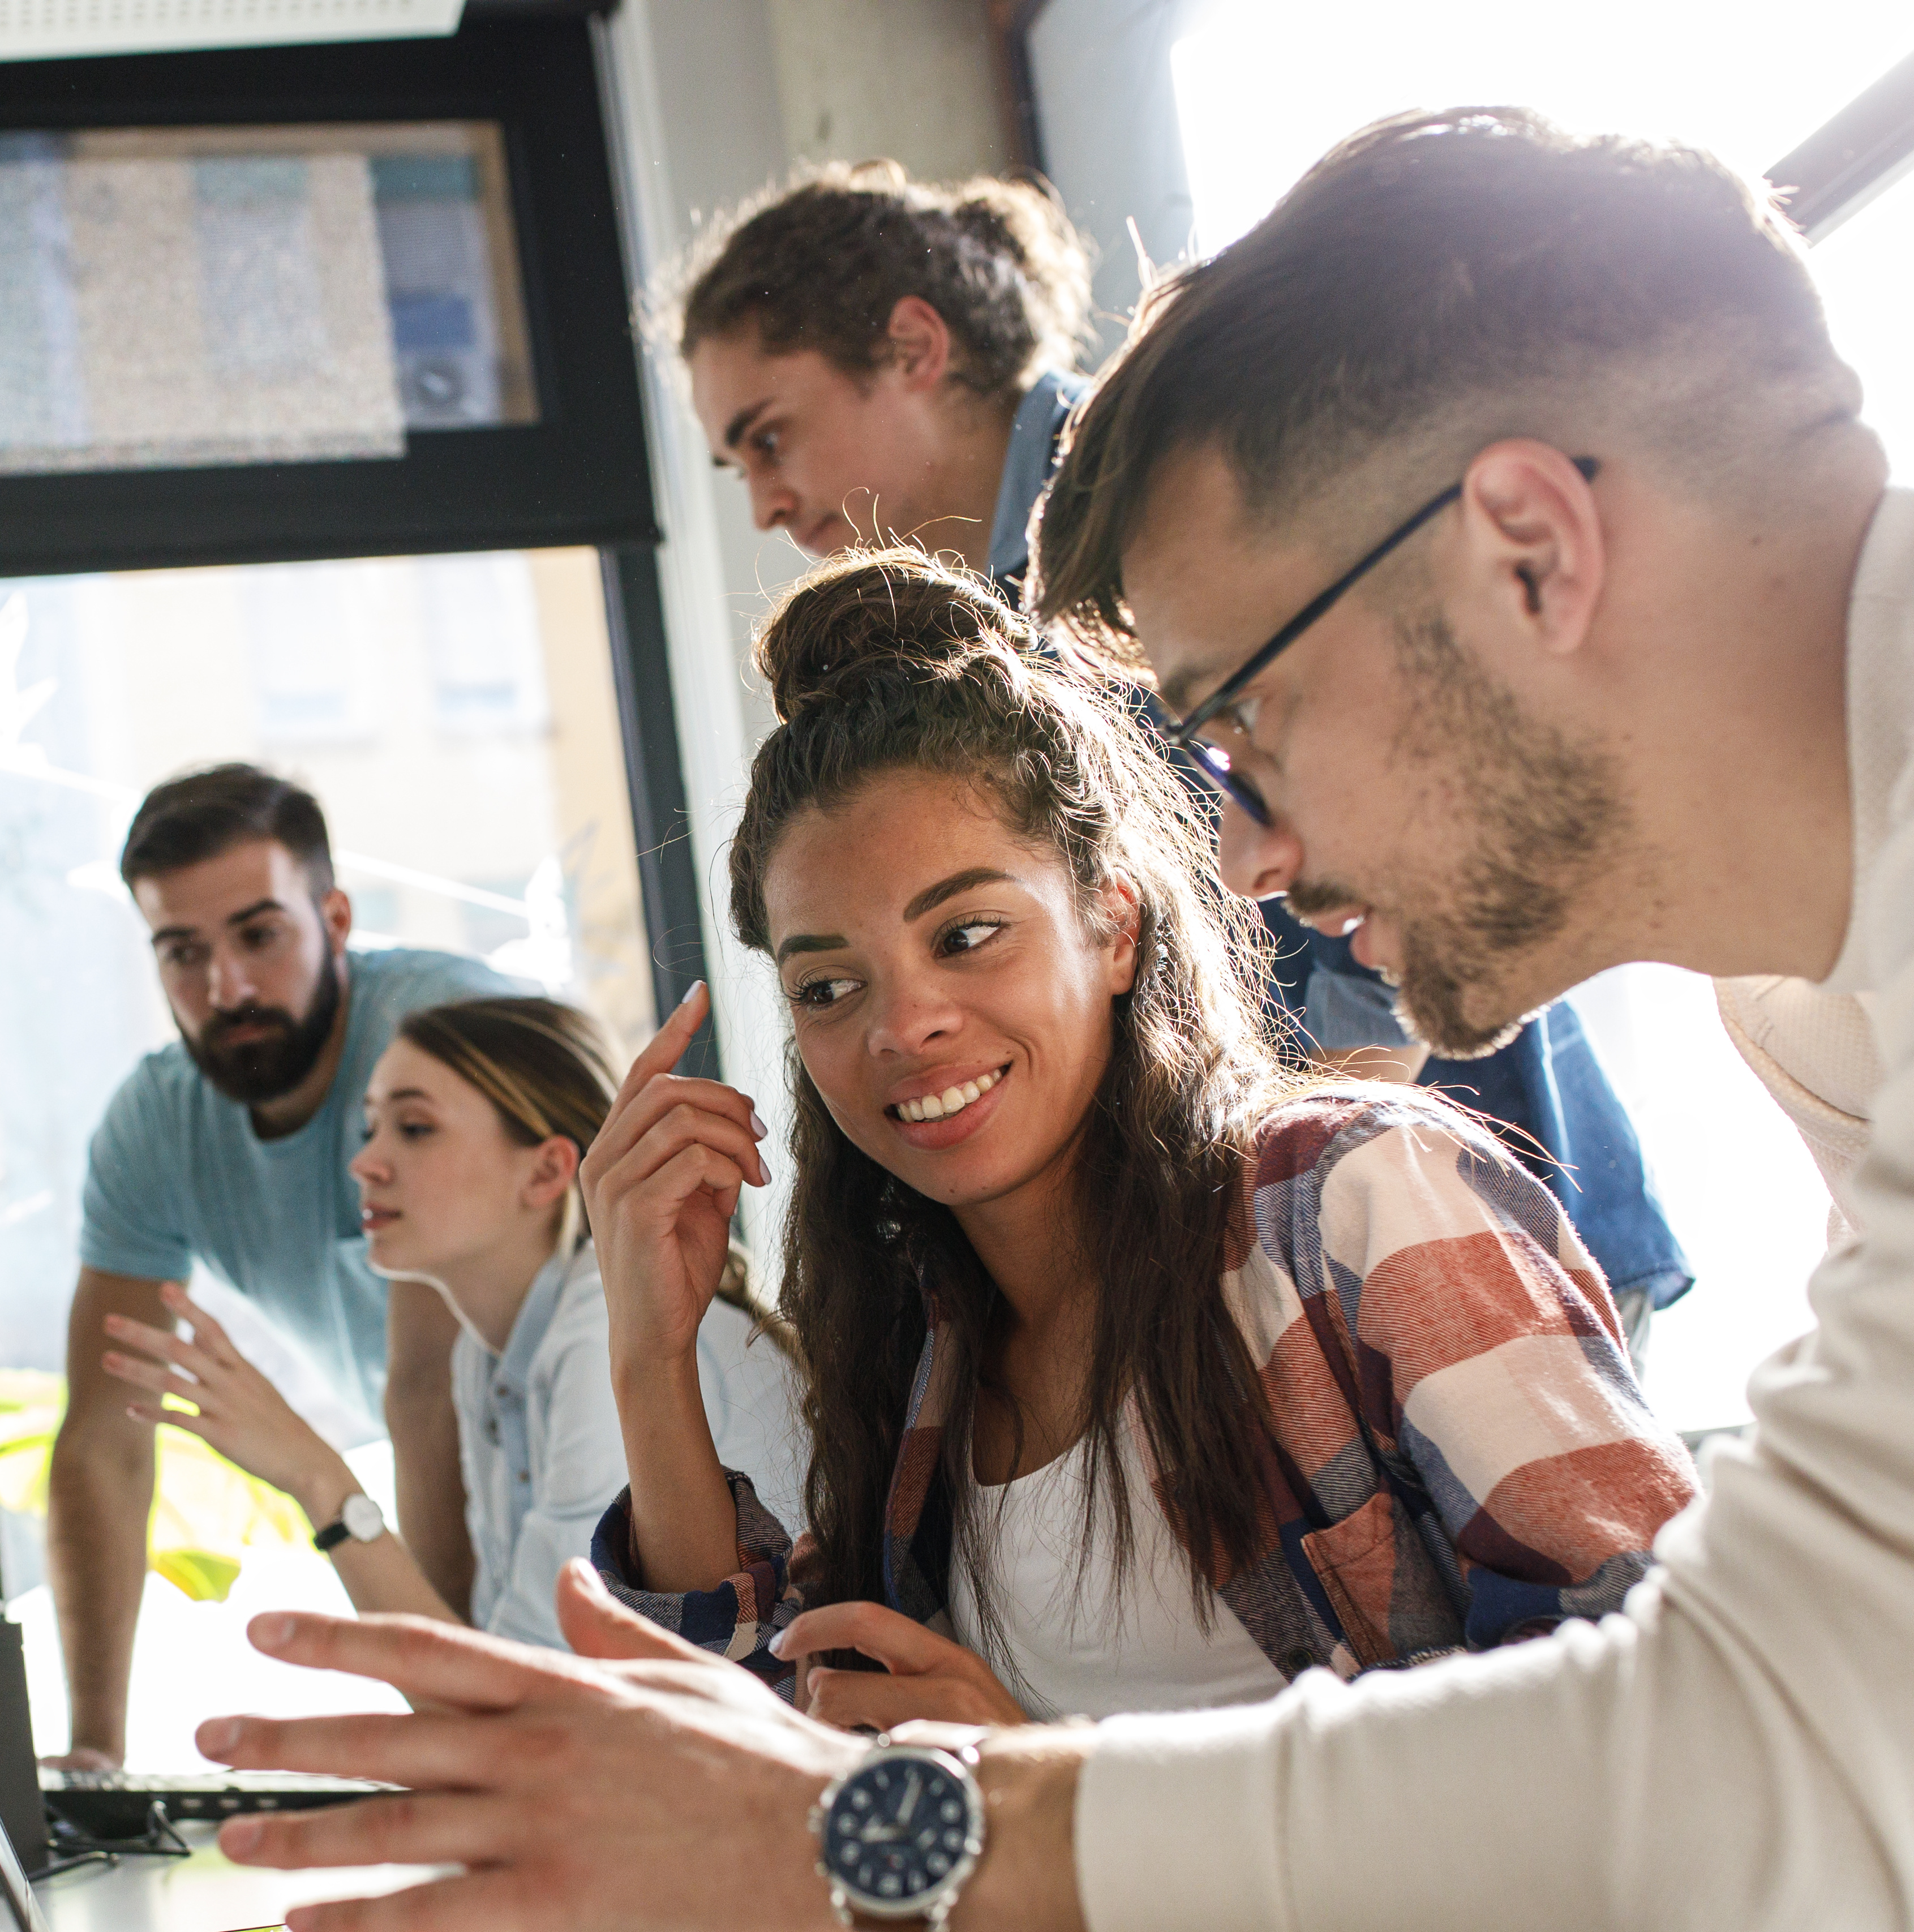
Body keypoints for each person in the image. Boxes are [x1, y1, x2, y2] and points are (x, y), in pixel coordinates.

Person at [181, 111, 1914, 1932]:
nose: (1249, 830)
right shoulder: (1817, 978)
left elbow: (1805, 1748)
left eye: (1245, 717)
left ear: (1526, 546)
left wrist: (871, 1832)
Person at [576, 548, 1689, 1733]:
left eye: (967, 933)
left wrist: (1047, 1789)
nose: (904, 1026)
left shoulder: (1351, 1201)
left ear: (1112, 926)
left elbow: (1660, 1703)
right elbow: (755, 1751)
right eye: (828, 986)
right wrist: (650, 1345)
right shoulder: (922, 1342)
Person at [665, 157, 1688, 1345]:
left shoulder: (1165, 516)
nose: (765, 506)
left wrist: (1276, 1211)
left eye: (771, 437)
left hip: (1444, 1220)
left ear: (912, 347)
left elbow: (1401, 860)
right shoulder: (998, 622)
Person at [98, 995, 808, 1650]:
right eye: (370, 1128)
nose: (366, 1163)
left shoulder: (601, 1336)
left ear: (545, 1172)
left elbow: (531, 1706)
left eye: (414, 1128)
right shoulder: (485, 1357)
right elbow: (506, 1673)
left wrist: (318, 1479)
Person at [50, 764, 509, 1766]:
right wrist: (95, 1756)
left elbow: (426, 1398)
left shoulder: (435, 1043)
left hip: (583, 1475)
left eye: (259, 935)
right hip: (444, 1494)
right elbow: (103, 1440)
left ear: (335, 917)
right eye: (183, 953)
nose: (228, 989)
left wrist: (457, 1737)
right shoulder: (157, 1124)